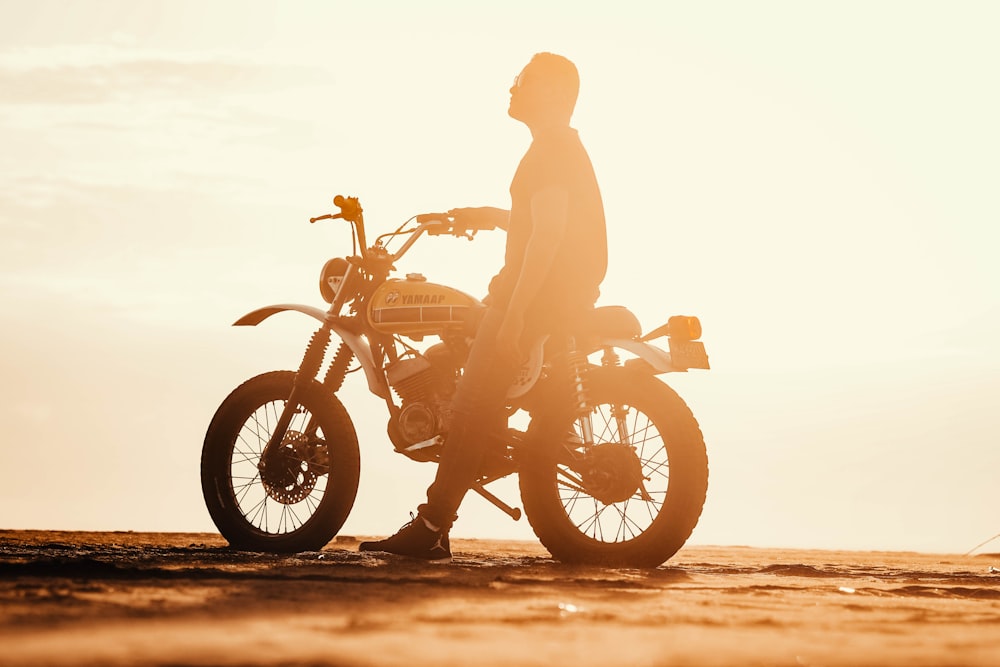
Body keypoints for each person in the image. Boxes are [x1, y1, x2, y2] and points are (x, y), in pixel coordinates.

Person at [359, 52, 608, 561]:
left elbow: (549, 234)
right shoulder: (558, 149)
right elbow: (540, 219)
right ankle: (439, 518)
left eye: (524, 80)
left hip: (537, 298)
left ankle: (431, 527)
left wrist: (515, 312)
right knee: (469, 381)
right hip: (550, 292)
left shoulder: (551, 149)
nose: (512, 87)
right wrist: (483, 216)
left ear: (556, 93)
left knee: (472, 408)